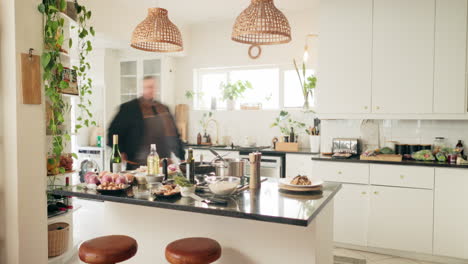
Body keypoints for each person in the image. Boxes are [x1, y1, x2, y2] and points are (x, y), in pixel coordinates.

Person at [107, 76, 185, 169]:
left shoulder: (164, 109)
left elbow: (174, 135)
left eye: (152, 87)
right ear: (142, 89)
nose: (150, 90)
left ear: (156, 88)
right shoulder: (129, 109)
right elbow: (113, 131)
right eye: (147, 87)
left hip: (164, 166)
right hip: (138, 167)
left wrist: (181, 156)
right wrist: (121, 151)